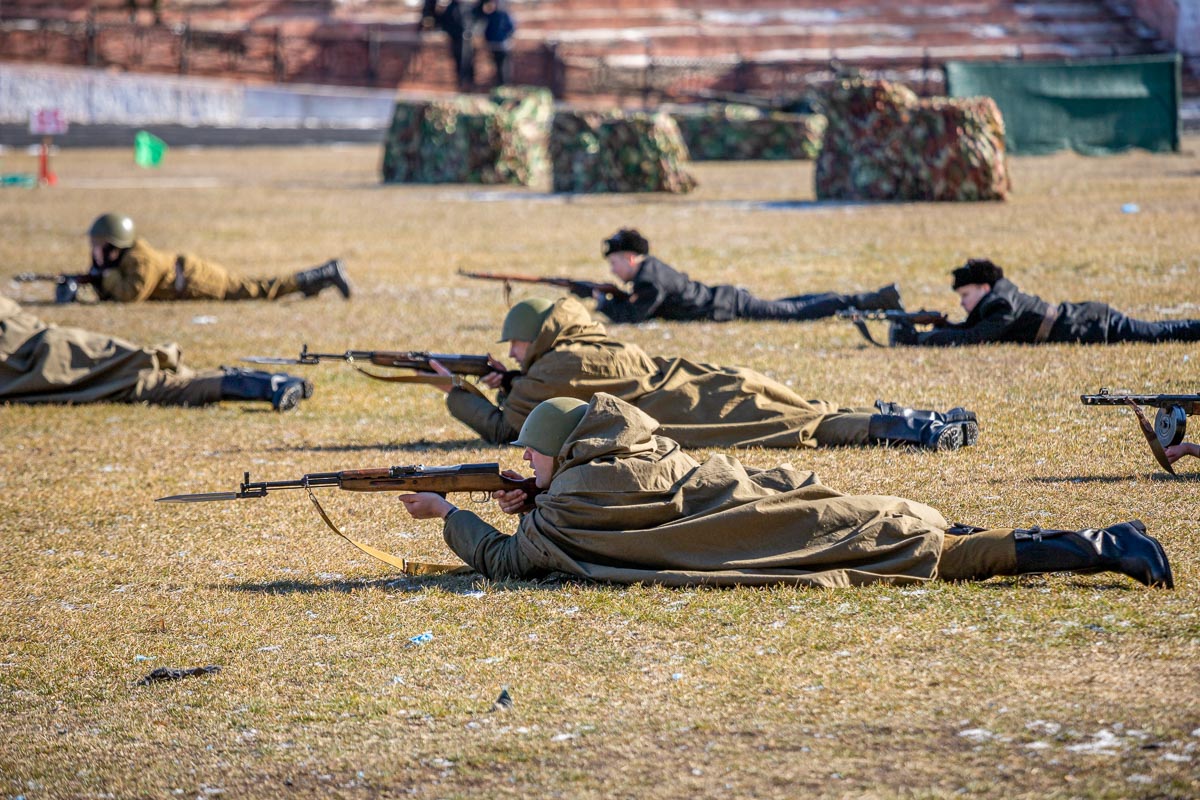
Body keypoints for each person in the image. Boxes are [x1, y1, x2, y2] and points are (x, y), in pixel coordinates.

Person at [397, 393, 1173, 588]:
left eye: (532, 459)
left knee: (930, 554)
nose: (524, 469)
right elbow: (582, 510)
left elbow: (507, 563)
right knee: (911, 524)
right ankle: (1096, 539)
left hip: (783, 534)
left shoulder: (566, 506)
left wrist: (449, 515)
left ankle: (1108, 547)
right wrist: (533, 497)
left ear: (563, 452)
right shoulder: (636, 451)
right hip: (783, 501)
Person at [434, 296, 980, 451]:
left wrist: (451, 390)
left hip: (695, 411)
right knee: (807, 410)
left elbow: (507, 429)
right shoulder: (584, 343)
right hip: (711, 380)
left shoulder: (544, 373)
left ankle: (922, 431)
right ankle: (923, 419)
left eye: (518, 344)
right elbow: (550, 387)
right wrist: (510, 383)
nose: (513, 351)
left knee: (803, 427)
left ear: (539, 338)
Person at [0, 295, 312, 411]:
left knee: (154, 381)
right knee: (160, 381)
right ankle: (271, 383)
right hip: (57, 354)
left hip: (59, 354)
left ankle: (271, 384)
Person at [594, 228, 902, 324]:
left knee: (794, 312)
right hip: (726, 298)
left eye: (615, 262)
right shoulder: (650, 269)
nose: (613, 270)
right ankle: (861, 299)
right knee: (792, 305)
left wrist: (604, 304)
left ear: (631, 258)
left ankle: (868, 299)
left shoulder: (648, 280)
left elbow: (635, 315)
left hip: (727, 305)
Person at [894, 258, 1200, 346]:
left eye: (965, 295)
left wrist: (920, 339)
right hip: (1088, 318)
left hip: (1094, 325)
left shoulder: (1002, 305)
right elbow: (969, 328)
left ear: (984, 287)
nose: (962, 302)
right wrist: (939, 326)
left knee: (1159, 333)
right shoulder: (998, 297)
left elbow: (973, 337)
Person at [68, 213, 351, 304]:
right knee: (259, 287)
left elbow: (131, 294)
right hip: (187, 274)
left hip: (196, 279)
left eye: (99, 245)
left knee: (259, 290)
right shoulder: (124, 259)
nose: (94, 250)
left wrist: (105, 276)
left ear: (114, 245)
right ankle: (314, 282)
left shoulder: (141, 261)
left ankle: (321, 273)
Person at [422, 0, 474, 92]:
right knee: (460, 61)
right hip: (456, 39)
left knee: (466, 61)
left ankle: (467, 83)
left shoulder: (464, 8)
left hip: (464, 40)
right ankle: (462, 82)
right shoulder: (452, 8)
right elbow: (442, 21)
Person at [473, 0, 515, 86]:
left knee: (503, 66)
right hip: (493, 45)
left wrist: (505, 37)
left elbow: (510, 28)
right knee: (496, 65)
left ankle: (504, 84)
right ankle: (499, 83)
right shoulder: (490, 15)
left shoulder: (503, 15)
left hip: (502, 45)